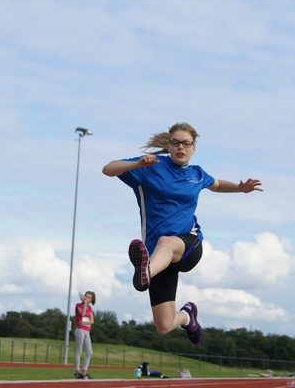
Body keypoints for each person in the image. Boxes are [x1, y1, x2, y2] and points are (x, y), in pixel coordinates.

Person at [102, 122, 262, 345]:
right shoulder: (149, 167)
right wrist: (137, 164)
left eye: (186, 144)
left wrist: (240, 187)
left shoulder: (197, 174)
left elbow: (216, 185)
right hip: (158, 256)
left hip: (188, 244)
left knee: (166, 241)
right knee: (164, 325)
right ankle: (188, 316)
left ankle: (145, 272)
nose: (181, 147)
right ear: (168, 145)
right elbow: (108, 169)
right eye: (176, 143)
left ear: (193, 148)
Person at [74, 290, 96, 379]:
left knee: (89, 352)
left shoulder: (90, 308)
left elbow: (92, 321)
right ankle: (77, 372)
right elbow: (82, 314)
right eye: (85, 296)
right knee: (79, 350)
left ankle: (84, 372)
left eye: (88, 297)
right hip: (80, 330)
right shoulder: (78, 305)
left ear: (91, 299)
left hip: (87, 330)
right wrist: (85, 304)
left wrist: (85, 323)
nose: (86, 298)